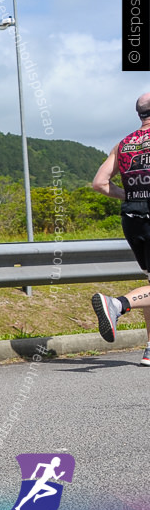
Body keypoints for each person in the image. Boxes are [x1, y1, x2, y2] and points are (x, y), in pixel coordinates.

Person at [90, 91, 150, 367]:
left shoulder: (123, 144)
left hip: (133, 218)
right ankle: (117, 305)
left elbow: (100, 183)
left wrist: (128, 196)